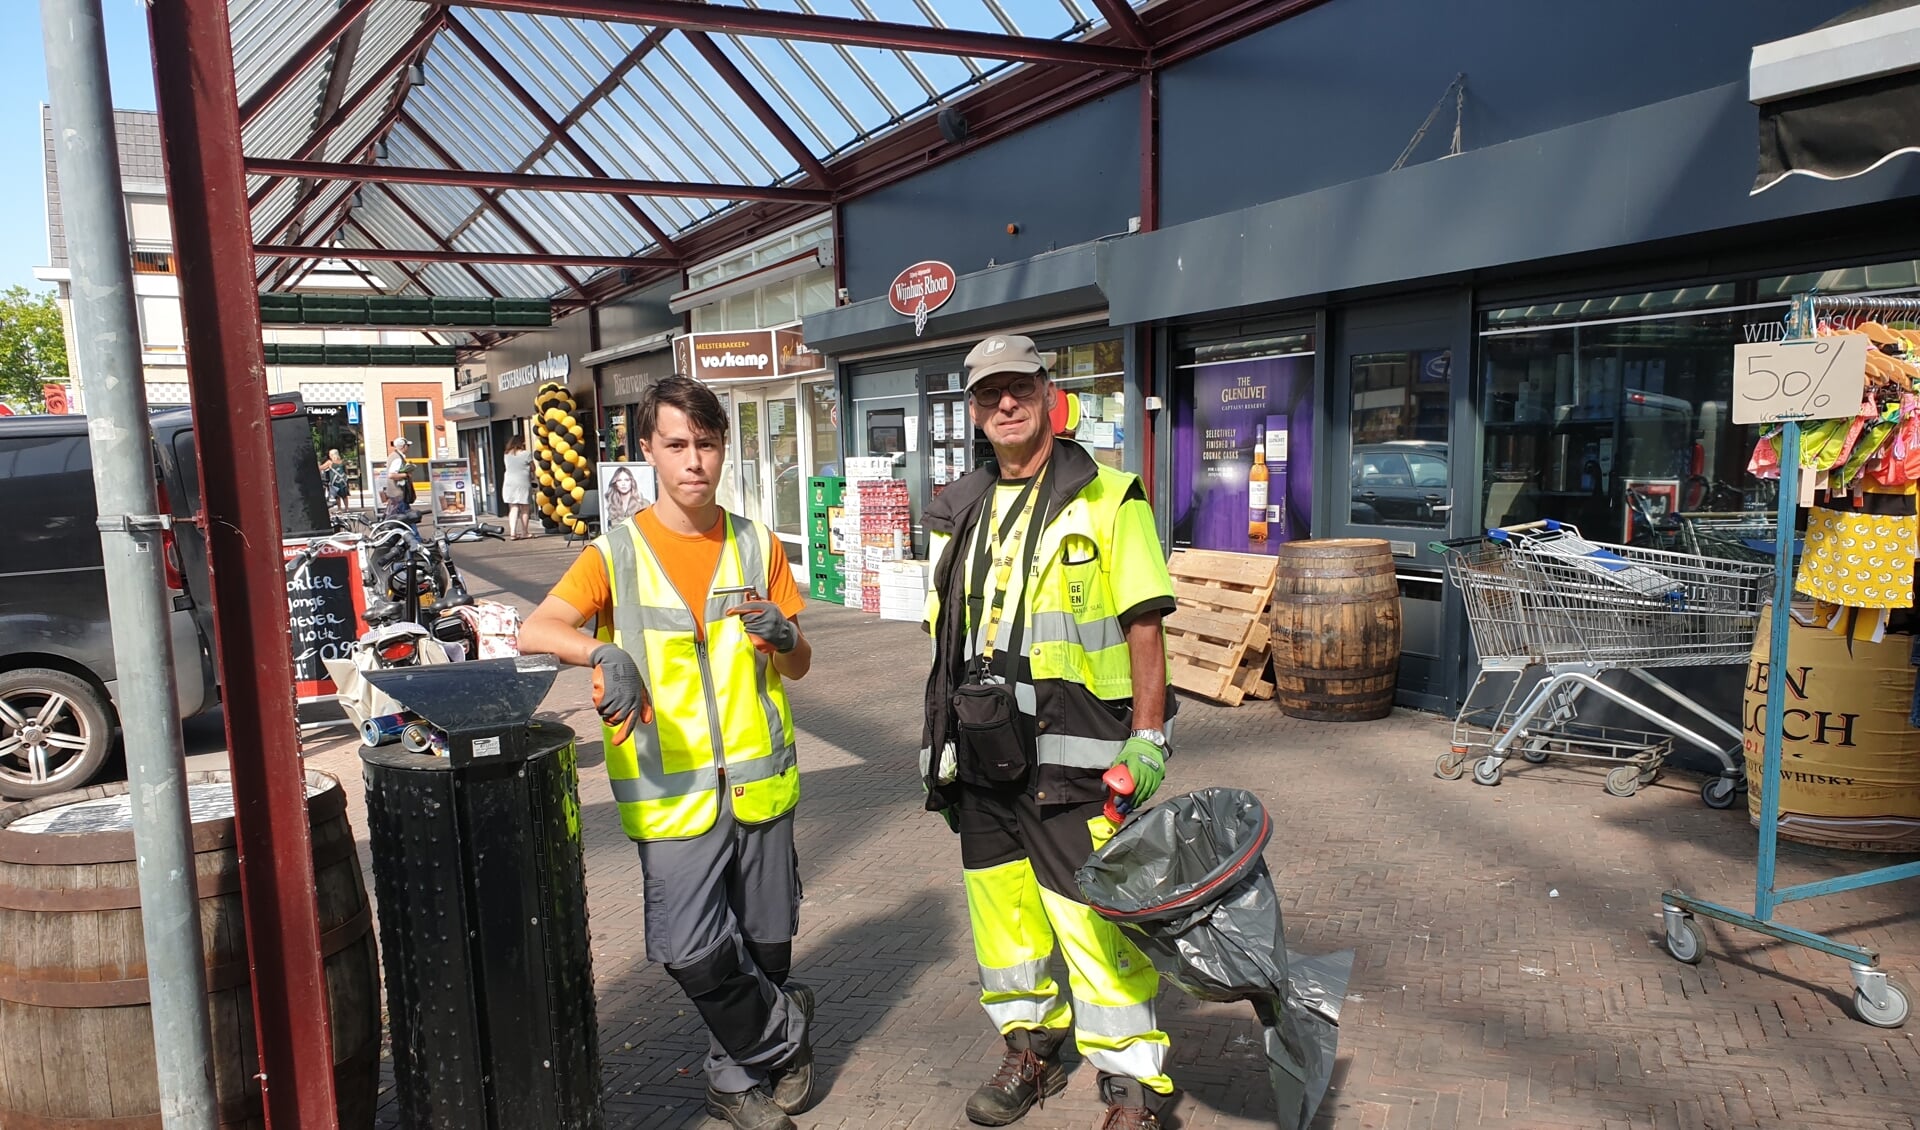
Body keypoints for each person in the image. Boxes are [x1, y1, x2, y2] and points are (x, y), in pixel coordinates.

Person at [518, 375, 818, 1130]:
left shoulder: (757, 542)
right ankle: (785, 1032)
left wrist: (789, 640)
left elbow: (797, 663)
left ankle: (730, 1080)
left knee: (767, 941)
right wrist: (599, 653)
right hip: (669, 788)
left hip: (760, 781)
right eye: (678, 445)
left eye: (708, 444)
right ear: (647, 449)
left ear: (724, 450)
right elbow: (536, 628)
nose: (695, 462)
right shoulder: (614, 553)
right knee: (691, 949)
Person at [919, 334, 1179, 1130]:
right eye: (988, 392)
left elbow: (1144, 626)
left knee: (1095, 926)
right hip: (984, 756)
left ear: (1045, 392)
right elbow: (944, 637)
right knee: (1005, 923)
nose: (1005, 403)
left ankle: (1131, 1087)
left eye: (1018, 388)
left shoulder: (1109, 496)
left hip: (1076, 758)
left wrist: (1149, 736)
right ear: (972, 408)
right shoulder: (957, 506)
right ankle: (1030, 1047)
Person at [502, 436, 533, 539]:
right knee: (525, 508)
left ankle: (512, 533)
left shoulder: (506, 455)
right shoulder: (526, 454)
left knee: (513, 508)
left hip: (509, 483)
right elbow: (533, 468)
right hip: (523, 482)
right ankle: (525, 532)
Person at [603, 464, 645, 530]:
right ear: (615, 484)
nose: (623, 484)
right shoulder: (611, 506)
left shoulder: (643, 503)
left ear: (632, 482)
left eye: (627, 480)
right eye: (619, 480)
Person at [384, 437, 414, 518]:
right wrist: (406, 475)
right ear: (403, 446)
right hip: (398, 493)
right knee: (407, 517)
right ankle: (412, 531)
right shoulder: (398, 458)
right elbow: (391, 475)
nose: (408, 448)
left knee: (401, 517)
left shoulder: (392, 455)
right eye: (408, 445)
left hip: (394, 494)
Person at [320, 448, 349, 513]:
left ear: (332, 455)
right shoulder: (342, 462)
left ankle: (339, 509)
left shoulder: (330, 462)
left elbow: (321, 467)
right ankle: (347, 508)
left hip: (334, 481)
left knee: (337, 496)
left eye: (330, 454)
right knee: (344, 495)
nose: (329, 455)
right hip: (343, 481)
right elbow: (346, 471)